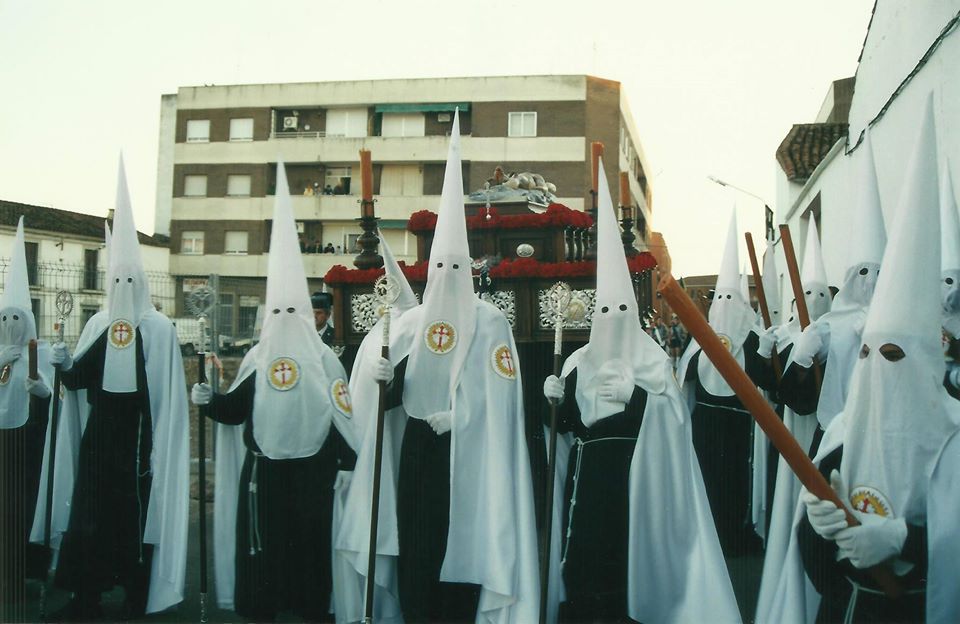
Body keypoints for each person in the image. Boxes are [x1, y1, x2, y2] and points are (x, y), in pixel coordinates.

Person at [338, 109, 539, 623]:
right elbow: (392, 397)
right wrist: (386, 383)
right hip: (420, 457)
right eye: (440, 267)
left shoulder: (491, 321)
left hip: (469, 457)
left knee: (462, 542)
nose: (448, 276)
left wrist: (463, 417)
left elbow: (503, 397)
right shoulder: (410, 324)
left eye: (456, 266)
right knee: (419, 543)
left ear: (469, 267)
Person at [768, 97, 955, 623]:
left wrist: (905, 540)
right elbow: (823, 568)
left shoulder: (954, 440)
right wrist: (818, 526)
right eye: (870, 352)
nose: (876, 365)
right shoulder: (846, 433)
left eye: (892, 355)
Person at [541, 161, 740, 623]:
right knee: (586, 561)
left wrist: (639, 397)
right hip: (588, 481)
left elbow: (673, 419)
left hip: (637, 481)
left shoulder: (651, 359)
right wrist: (553, 400)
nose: (611, 319)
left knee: (627, 563)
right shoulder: (576, 361)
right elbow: (566, 428)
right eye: (603, 311)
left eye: (619, 310)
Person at [191, 161, 357, 621]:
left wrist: (347, 462)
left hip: (313, 474)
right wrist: (209, 403)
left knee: (309, 543)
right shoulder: (257, 359)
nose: (284, 319)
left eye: (293, 310)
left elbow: (344, 414)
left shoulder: (326, 360)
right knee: (264, 544)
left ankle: (310, 608)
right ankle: (264, 606)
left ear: (306, 313)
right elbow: (236, 409)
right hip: (265, 473)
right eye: (277, 311)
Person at [35, 158, 189, 620]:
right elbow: (79, 380)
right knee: (91, 516)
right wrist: (63, 364)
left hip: (138, 439)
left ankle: (138, 592)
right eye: (116, 279)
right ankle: (87, 591)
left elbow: (163, 391)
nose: (123, 286)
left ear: (141, 282)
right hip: (100, 437)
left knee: (133, 518)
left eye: (130, 279)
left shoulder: (159, 330)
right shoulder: (101, 323)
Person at [677, 208, 762, 556]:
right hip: (707, 425)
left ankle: (737, 537)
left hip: (741, 427)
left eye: (732, 299)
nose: (725, 305)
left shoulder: (755, 341)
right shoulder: (700, 339)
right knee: (709, 481)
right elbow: (687, 378)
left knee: (737, 484)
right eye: (720, 299)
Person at [0, 217, 53, 620]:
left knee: (17, 516)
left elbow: (51, 403)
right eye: (3, 318)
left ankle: (17, 581)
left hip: (23, 453)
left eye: (16, 318)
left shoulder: (40, 355)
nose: (9, 326)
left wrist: (41, 391)